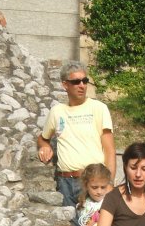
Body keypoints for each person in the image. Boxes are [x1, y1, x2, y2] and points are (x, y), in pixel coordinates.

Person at [37, 61, 116, 208]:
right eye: (76, 82)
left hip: (93, 182)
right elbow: (43, 138)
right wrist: (45, 146)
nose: (82, 85)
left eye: (85, 81)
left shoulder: (99, 108)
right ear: (65, 85)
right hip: (64, 182)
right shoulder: (57, 111)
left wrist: (109, 183)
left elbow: (110, 150)